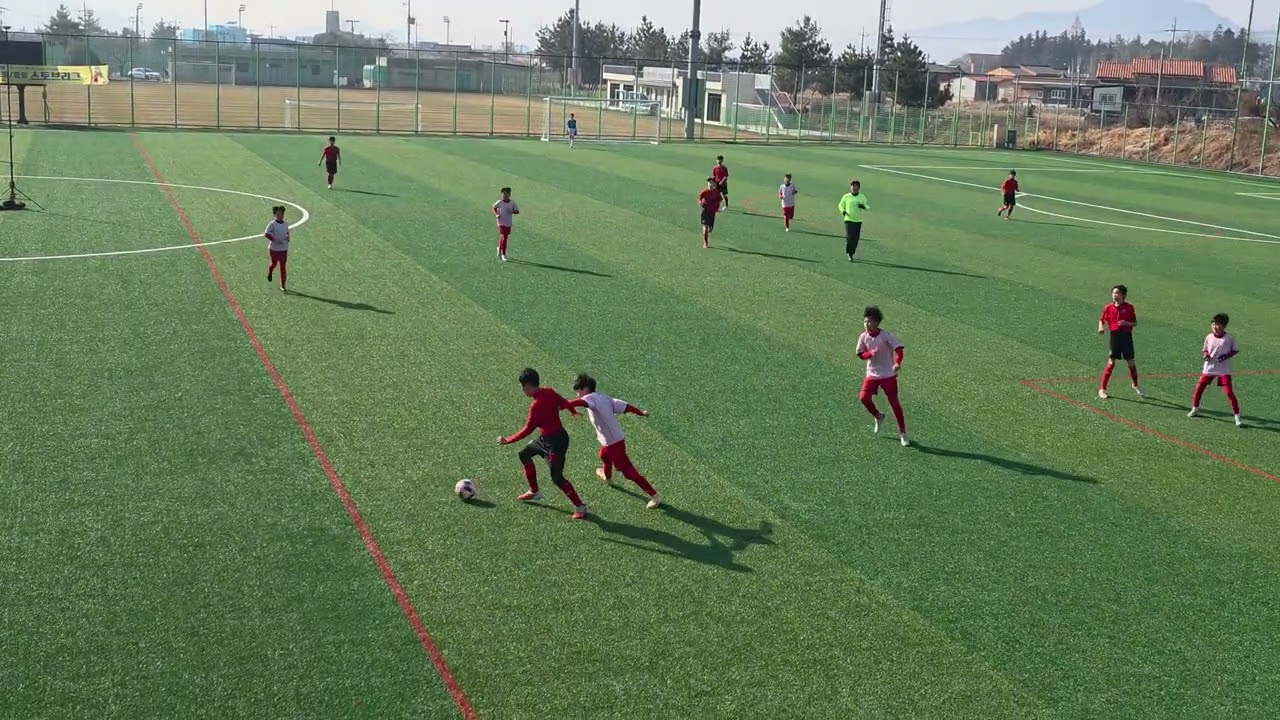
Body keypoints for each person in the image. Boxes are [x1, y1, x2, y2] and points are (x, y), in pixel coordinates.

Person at [497, 368, 589, 520]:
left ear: (527, 385)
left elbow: (527, 430)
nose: (522, 390)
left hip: (557, 442)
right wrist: (572, 410)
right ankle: (534, 491)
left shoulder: (536, 405)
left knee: (557, 478)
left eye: (522, 386)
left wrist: (508, 440)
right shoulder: (549, 391)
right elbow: (563, 402)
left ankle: (581, 506)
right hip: (546, 439)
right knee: (524, 454)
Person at [566, 374, 662, 509]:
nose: (577, 394)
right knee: (603, 456)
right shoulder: (604, 398)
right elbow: (626, 407)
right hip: (613, 441)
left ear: (586, 389)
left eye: (578, 390)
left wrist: (562, 405)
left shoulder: (589, 398)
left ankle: (655, 496)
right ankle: (607, 477)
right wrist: (641, 413)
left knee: (628, 472)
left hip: (613, 444)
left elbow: (580, 402)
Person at [856, 306, 909, 446]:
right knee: (864, 398)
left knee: (894, 404)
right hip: (872, 373)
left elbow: (898, 350)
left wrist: (897, 363)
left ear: (877, 323)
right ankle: (878, 416)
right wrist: (870, 354)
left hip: (888, 374)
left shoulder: (886, 336)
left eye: (870, 322)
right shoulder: (863, 337)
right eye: (865, 322)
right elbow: (860, 354)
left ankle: (903, 433)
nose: (867, 324)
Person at [1188, 313, 1242, 427]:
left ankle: (1237, 416)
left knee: (1229, 393)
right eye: (1213, 324)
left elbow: (1235, 350)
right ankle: (1195, 408)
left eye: (1218, 324)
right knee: (1199, 388)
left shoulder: (1229, 338)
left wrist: (1226, 356)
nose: (1215, 327)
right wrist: (1206, 355)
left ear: (1224, 326)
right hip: (1209, 368)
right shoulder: (1209, 337)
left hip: (1223, 369)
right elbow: (1205, 349)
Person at [1097, 284, 1143, 399]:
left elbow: (1135, 322)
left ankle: (1136, 385)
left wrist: (1126, 323)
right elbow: (1101, 320)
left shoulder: (1129, 308)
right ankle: (1102, 389)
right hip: (1115, 337)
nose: (1114, 295)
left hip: (1126, 337)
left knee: (1131, 362)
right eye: (1113, 293)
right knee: (1111, 362)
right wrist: (1101, 327)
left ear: (1123, 295)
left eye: (1117, 293)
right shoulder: (1108, 307)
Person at [837, 180, 870, 261]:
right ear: (850, 187)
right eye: (853, 186)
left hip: (858, 220)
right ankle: (849, 253)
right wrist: (843, 212)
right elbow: (840, 205)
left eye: (856, 187)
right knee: (849, 237)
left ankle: (852, 252)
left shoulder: (862, 197)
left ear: (859, 188)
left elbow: (868, 207)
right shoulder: (846, 196)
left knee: (856, 238)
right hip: (848, 219)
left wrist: (862, 206)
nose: (854, 188)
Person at [264, 205, 291, 293]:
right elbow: (266, 234)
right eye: (278, 214)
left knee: (283, 267)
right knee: (274, 264)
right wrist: (275, 240)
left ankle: (283, 285)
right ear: (275, 214)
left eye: (282, 214)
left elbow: (287, 232)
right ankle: (270, 271)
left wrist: (287, 237)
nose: (281, 215)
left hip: (283, 249)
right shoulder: (272, 224)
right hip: (274, 249)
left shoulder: (285, 224)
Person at [492, 186, 520, 262]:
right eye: (503, 194)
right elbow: (494, 207)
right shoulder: (499, 202)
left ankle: (499, 247)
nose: (504, 196)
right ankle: (503, 254)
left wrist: (512, 212)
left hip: (508, 222)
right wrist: (496, 214)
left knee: (505, 237)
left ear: (509, 194)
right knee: (504, 237)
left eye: (506, 194)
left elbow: (517, 211)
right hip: (501, 222)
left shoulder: (512, 203)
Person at [698, 177, 722, 249]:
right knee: (705, 228)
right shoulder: (704, 192)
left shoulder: (716, 193)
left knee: (710, 229)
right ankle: (705, 243)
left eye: (711, 184)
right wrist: (700, 203)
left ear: (714, 184)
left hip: (712, 212)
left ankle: (710, 228)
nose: (710, 185)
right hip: (705, 211)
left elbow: (720, 199)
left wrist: (717, 207)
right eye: (709, 184)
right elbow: (699, 198)